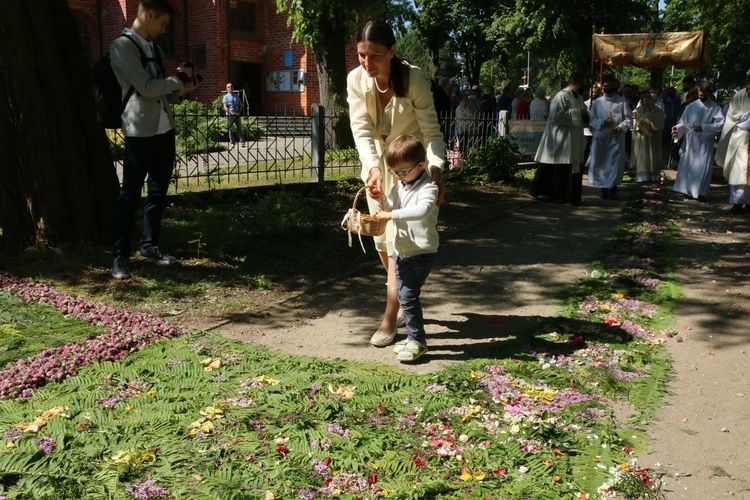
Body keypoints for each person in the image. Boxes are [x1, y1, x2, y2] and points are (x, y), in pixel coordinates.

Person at [346, 20, 446, 348]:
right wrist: (373, 169)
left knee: (399, 240)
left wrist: (436, 170)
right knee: (381, 242)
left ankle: (390, 315)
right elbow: (361, 130)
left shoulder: (412, 78)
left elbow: (430, 131)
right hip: (378, 170)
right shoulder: (356, 80)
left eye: (375, 55)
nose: (367, 62)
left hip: (411, 172)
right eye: (361, 55)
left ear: (392, 51)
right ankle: (403, 295)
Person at [110, 0, 198, 280]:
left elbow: (163, 94)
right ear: (149, 15)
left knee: (158, 194)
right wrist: (175, 81)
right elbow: (146, 88)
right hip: (139, 133)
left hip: (164, 131)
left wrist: (183, 89)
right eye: (162, 23)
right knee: (129, 196)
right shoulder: (122, 46)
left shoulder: (155, 49)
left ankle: (149, 247)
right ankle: (120, 257)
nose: (163, 30)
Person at [372, 135, 439, 362]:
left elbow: (421, 211)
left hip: (420, 252)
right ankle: (412, 336)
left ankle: (418, 341)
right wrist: (381, 200)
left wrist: (391, 214)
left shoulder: (429, 187)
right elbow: (391, 206)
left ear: (420, 165)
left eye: (403, 172)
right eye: (395, 173)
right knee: (404, 294)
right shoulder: (401, 185)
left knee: (408, 297)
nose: (399, 177)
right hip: (402, 251)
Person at [531, 72, 588, 205]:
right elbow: (556, 115)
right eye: (584, 83)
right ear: (579, 83)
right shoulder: (562, 95)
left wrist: (584, 114)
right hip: (560, 138)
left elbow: (583, 113)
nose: (585, 86)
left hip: (573, 137)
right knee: (558, 166)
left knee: (571, 166)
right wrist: (578, 112)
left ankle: (570, 196)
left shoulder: (578, 97)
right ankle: (554, 195)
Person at [672, 83, 724, 201]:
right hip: (691, 141)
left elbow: (720, 124)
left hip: (705, 141)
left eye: (704, 95)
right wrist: (677, 129)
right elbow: (683, 123)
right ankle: (688, 191)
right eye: (700, 95)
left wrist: (705, 127)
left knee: (703, 166)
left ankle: (700, 192)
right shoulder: (691, 106)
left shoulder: (714, 107)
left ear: (709, 93)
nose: (702, 97)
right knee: (689, 165)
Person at [586, 76, 632, 199]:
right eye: (605, 86)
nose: (608, 88)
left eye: (610, 85)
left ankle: (612, 188)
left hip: (616, 137)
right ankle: (603, 188)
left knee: (614, 163)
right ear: (602, 87)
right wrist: (603, 122)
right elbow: (592, 119)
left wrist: (621, 127)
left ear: (615, 87)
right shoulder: (598, 102)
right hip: (601, 137)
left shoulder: (622, 101)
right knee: (601, 163)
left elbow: (628, 118)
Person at [715, 85, 750, 213]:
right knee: (739, 170)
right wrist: (746, 115)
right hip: (741, 137)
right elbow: (732, 113)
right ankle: (738, 202)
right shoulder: (740, 95)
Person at [630, 90, 666, 183]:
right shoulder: (637, 110)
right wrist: (636, 119)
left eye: (647, 98)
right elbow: (634, 123)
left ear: (650, 98)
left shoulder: (657, 110)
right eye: (642, 98)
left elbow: (660, 120)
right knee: (641, 156)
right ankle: (641, 177)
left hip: (652, 138)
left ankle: (653, 176)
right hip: (641, 138)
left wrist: (645, 119)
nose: (644, 100)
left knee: (652, 157)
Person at [223, 83, 246, 149]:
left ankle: (242, 143)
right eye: (229, 87)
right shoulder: (226, 97)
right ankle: (232, 143)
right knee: (231, 129)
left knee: (240, 128)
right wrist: (230, 112)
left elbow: (240, 105)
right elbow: (225, 106)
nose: (230, 88)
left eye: (231, 86)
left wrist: (238, 111)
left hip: (236, 114)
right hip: (229, 115)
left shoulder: (237, 96)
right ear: (227, 88)